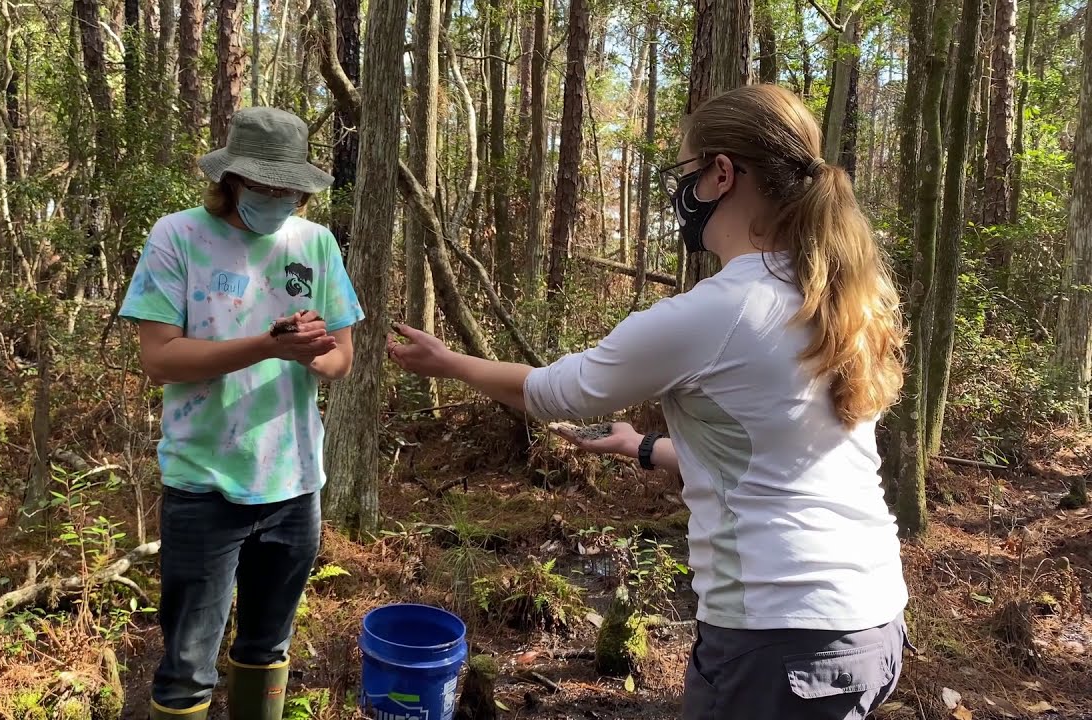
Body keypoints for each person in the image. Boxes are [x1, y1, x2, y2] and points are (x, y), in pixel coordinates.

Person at [387, 84, 910, 720]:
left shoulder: (719, 312)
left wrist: (447, 362)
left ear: (721, 174)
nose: (679, 191)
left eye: (687, 170)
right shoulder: (835, 301)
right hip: (871, 621)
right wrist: (641, 447)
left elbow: (549, 392)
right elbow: (779, 460)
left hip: (777, 639)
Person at [120, 107, 363, 720]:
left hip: (294, 483)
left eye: (290, 190)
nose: (279, 200)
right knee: (187, 667)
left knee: (267, 646)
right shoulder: (178, 236)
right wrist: (266, 345)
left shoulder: (315, 243)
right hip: (204, 483)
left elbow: (341, 360)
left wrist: (310, 349)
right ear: (232, 179)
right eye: (265, 186)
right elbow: (160, 358)